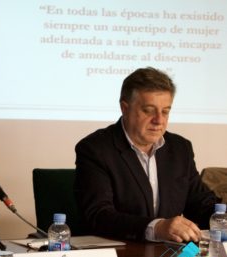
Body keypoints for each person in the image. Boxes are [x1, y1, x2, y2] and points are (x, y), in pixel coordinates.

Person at [74, 67, 218, 243]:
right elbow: (99, 216)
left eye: (165, 111)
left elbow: (201, 204)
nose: (159, 120)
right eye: (149, 110)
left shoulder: (180, 149)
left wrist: (221, 218)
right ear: (125, 108)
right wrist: (156, 227)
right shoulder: (95, 149)